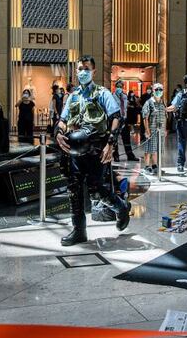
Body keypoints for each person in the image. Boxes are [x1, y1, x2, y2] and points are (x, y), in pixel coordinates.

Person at [55, 55, 131, 246]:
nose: (82, 72)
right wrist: (58, 132)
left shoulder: (102, 93)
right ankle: (79, 231)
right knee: (74, 189)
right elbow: (63, 120)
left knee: (96, 190)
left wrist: (111, 143)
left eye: (86, 68)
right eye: (80, 68)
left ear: (93, 71)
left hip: (97, 149)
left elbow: (116, 117)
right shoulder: (72, 96)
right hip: (74, 151)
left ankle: (121, 208)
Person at [141, 83, 166, 175]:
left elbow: (165, 116)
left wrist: (165, 129)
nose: (159, 92)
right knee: (149, 149)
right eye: (156, 90)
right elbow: (145, 118)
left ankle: (155, 165)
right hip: (151, 130)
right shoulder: (149, 102)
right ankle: (147, 166)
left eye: (160, 90)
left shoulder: (163, 102)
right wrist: (147, 131)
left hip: (160, 130)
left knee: (157, 149)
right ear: (153, 91)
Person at [111, 80, 138, 162]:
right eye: (118, 86)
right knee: (115, 138)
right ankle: (116, 156)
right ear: (115, 87)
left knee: (126, 138)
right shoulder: (112, 96)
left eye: (121, 86)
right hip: (116, 119)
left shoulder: (125, 96)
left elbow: (126, 106)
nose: (120, 88)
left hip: (124, 119)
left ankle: (130, 155)